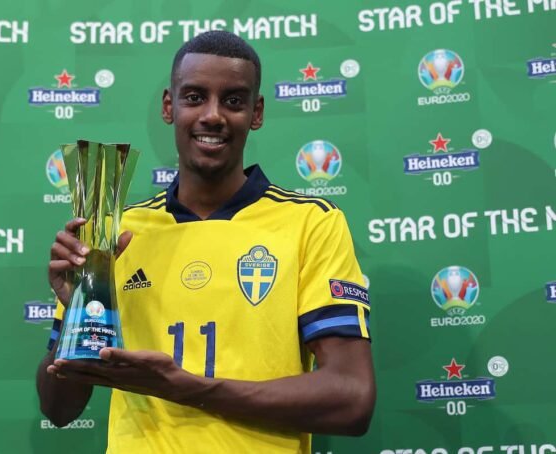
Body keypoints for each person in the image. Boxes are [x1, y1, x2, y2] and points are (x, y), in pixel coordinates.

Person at [37, 30, 375, 453]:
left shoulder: (311, 223)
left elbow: (352, 399)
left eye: (233, 100)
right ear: (169, 106)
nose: (213, 115)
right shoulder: (117, 233)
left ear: (256, 112)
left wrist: (188, 389)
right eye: (195, 97)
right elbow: (59, 409)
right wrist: (76, 310)